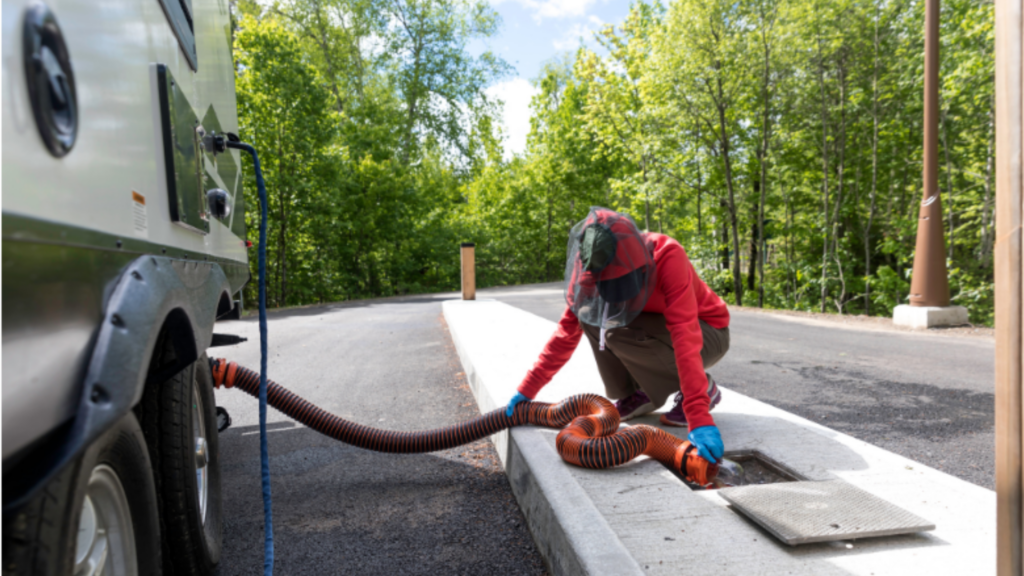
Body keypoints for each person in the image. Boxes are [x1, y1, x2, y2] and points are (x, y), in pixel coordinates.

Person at [505, 207, 731, 464]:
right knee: (590, 316)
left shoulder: (667, 255)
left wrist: (698, 415)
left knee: (618, 333)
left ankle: (706, 388)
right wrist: (527, 390)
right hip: (658, 330)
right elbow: (565, 333)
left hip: (708, 332)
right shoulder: (587, 268)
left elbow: (685, 334)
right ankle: (641, 392)